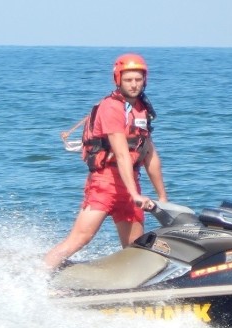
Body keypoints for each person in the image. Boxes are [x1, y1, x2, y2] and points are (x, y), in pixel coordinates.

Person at [44, 53, 167, 270]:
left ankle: (132, 293)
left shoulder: (142, 109)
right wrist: (136, 195)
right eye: (128, 80)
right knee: (80, 239)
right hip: (104, 183)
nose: (134, 84)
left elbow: (149, 155)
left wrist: (162, 197)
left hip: (130, 186)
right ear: (118, 79)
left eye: (138, 79)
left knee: (136, 250)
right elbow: (121, 154)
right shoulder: (111, 108)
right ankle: (35, 277)